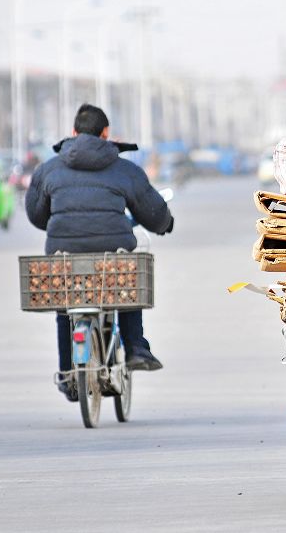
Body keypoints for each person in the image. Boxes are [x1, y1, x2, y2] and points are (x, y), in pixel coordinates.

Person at [25, 104, 174, 401]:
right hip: (111, 251)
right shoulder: (124, 169)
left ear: (73, 133)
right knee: (127, 281)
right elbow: (151, 210)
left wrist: (60, 227)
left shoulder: (48, 169)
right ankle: (135, 347)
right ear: (106, 133)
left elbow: (35, 213)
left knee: (64, 304)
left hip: (64, 251)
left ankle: (68, 373)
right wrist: (164, 223)